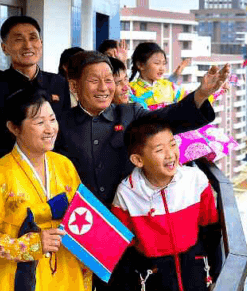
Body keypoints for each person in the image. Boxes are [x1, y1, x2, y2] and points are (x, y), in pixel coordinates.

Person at [54, 51, 227, 207]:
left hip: (131, 216)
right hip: (82, 221)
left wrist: (201, 94)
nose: (103, 88)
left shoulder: (130, 113)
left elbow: (169, 117)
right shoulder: (58, 124)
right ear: (74, 86)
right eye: (94, 81)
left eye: (108, 80)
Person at [0, 88, 91, 291]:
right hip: (16, 277)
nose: (50, 129)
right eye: (40, 122)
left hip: (65, 272)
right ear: (14, 128)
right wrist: (30, 245)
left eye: (52, 119)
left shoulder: (64, 166)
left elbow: (83, 217)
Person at [0, 4, 72, 200]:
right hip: (1, 177)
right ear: (4, 48)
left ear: (41, 43)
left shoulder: (57, 83)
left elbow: (63, 130)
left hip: (47, 177)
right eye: (18, 40)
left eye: (33, 38)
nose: (28, 45)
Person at [107, 116, 221, 291]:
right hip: (153, 282)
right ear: (138, 160)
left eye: (173, 144)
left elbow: (211, 231)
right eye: (159, 150)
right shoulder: (126, 193)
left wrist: (214, 273)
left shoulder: (195, 179)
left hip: (195, 275)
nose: (170, 155)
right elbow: (123, 250)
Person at [128, 42, 186, 108]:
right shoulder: (130, 90)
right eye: (157, 63)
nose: (162, 68)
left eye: (164, 64)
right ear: (141, 65)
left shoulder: (170, 86)